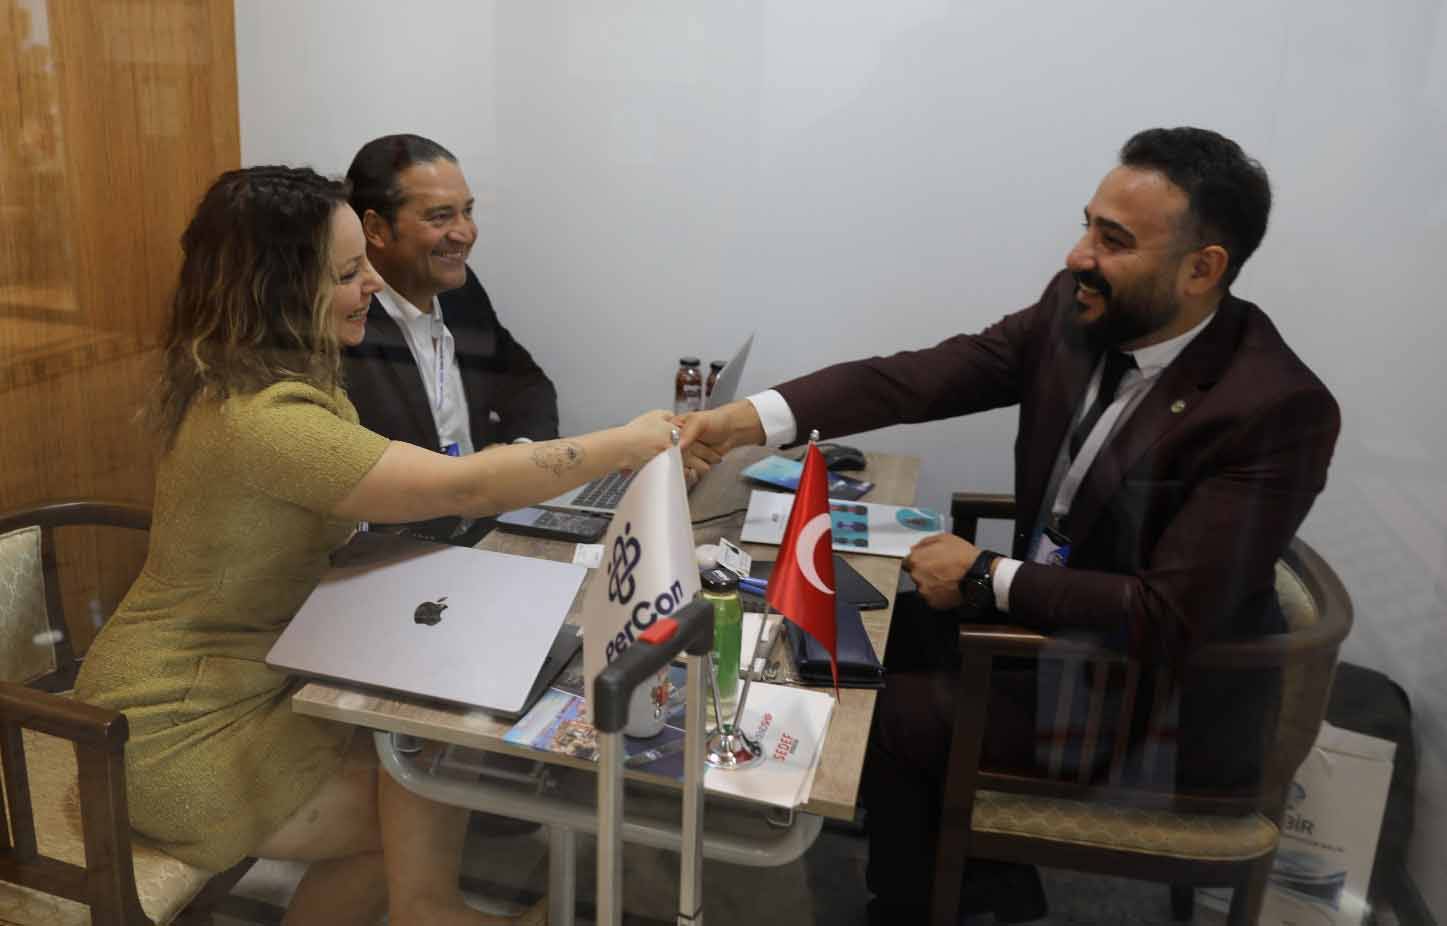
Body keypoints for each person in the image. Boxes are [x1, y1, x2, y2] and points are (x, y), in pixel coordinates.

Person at [679, 127, 1340, 924]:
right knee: (844, 632)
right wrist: (747, 420)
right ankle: (981, 883)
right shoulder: (1079, 310)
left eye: (1113, 240)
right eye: (1086, 225)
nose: (1076, 255)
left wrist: (985, 576)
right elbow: (914, 380)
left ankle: (915, 905)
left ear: (1202, 269)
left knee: (878, 714)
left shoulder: (1272, 409)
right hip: (1054, 633)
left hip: (1150, 701)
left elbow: (1167, 615)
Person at [73, 165, 676, 926]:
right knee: (423, 781)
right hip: (177, 724)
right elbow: (462, 487)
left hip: (247, 681)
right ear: (278, 292)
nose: (373, 286)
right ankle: (430, 909)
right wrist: (621, 444)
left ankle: (427, 906)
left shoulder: (260, 382)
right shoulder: (265, 423)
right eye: (347, 274)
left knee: (423, 754)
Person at [339, 133, 559, 544]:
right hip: (399, 554)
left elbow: (528, 385)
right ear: (376, 229)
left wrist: (519, 455)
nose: (465, 233)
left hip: (487, 528)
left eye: (467, 212)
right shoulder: (346, 322)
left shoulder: (460, 290)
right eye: (440, 217)